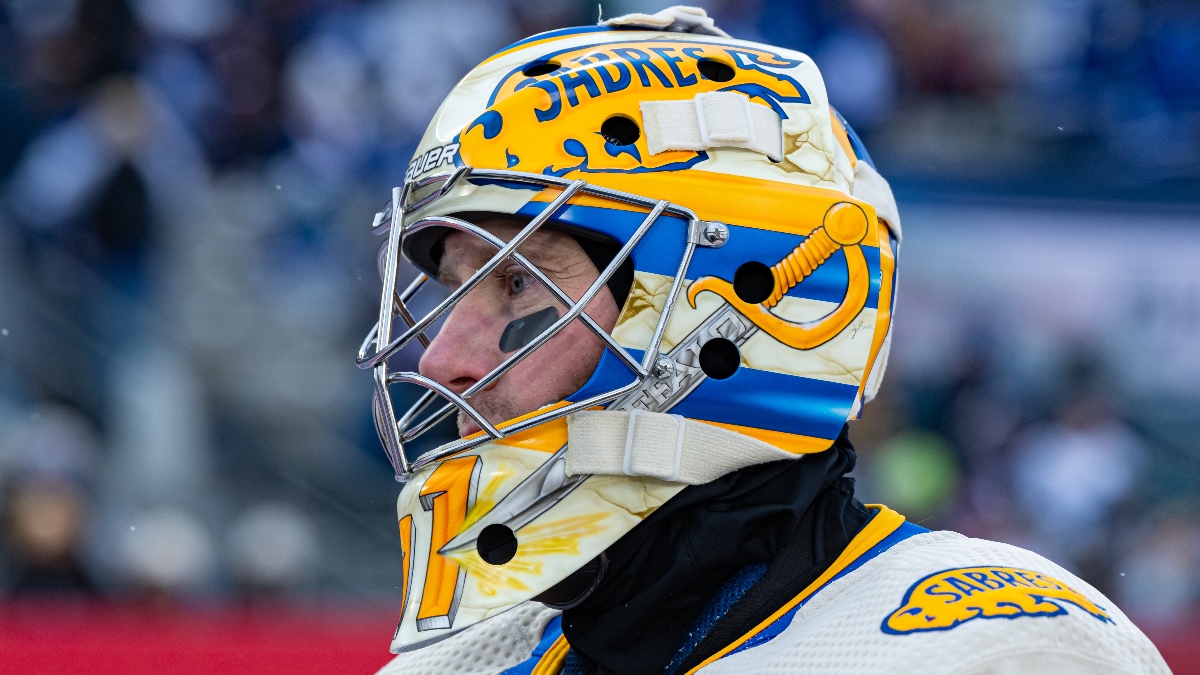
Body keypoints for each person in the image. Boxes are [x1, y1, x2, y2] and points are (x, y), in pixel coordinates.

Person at [360, 7, 1169, 674]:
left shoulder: (992, 647)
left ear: (734, 316)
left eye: (517, 282)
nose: (441, 360)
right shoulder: (461, 662)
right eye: (450, 291)